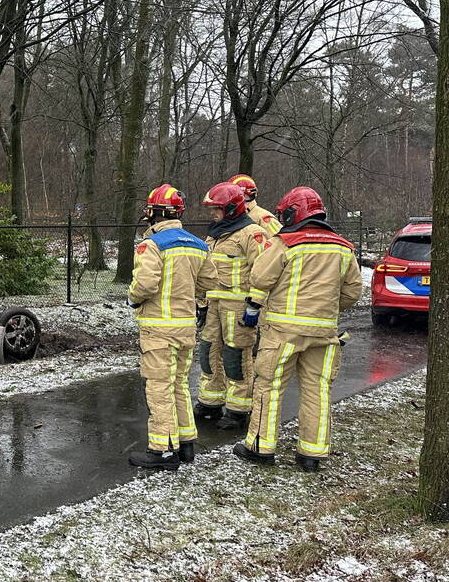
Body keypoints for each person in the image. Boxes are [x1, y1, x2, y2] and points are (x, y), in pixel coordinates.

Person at [234, 186, 362, 472]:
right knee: (317, 390)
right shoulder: (343, 247)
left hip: (283, 332)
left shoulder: (286, 242)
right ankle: (312, 454)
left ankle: (260, 447)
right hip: (325, 333)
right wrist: (326, 308)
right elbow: (353, 291)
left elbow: (260, 276)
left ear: (293, 213)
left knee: (269, 387)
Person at [127, 185, 216, 470]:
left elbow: (145, 284)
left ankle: (163, 450)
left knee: (158, 387)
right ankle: (186, 443)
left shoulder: (151, 244)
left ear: (153, 213)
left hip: (157, 329)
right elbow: (209, 282)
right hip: (186, 327)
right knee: (179, 385)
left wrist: (133, 297)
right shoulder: (198, 244)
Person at [193, 182, 267, 431]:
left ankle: (239, 409)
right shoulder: (215, 233)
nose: (212, 213)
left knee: (236, 356)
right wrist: (202, 303)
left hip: (238, 306)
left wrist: (255, 306)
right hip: (214, 304)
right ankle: (210, 402)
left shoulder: (252, 233)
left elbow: (263, 272)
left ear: (233, 208)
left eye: (217, 208)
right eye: (211, 208)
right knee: (208, 352)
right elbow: (206, 271)